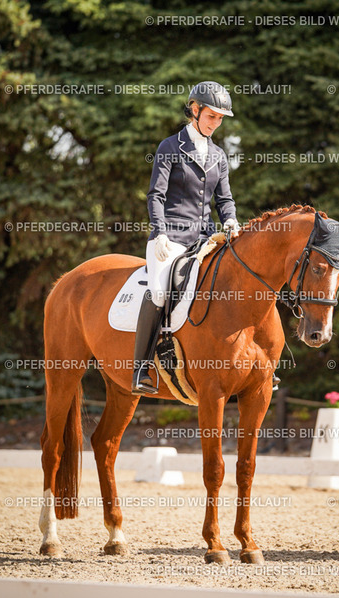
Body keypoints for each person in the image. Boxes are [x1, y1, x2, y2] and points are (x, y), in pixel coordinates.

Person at [132, 81, 240, 394]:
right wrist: (160, 232)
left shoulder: (219, 155)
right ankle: (141, 369)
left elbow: (224, 199)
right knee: (159, 292)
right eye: (211, 116)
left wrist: (230, 219)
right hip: (170, 237)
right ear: (195, 110)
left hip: (205, 237)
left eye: (220, 119)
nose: (215, 123)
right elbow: (156, 195)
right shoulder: (170, 147)